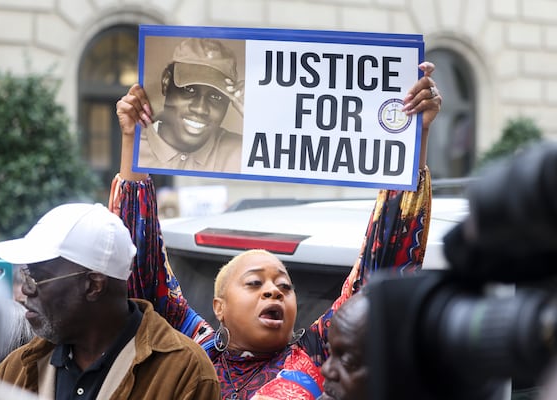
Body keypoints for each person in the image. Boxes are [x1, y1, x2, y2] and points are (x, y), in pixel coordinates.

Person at [111, 61, 442, 399]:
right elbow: (141, 276)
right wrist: (133, 139)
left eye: (284, 286)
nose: (274, 292)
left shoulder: (319, 353)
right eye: (254, 283)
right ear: (219, 307)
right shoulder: (191, 347)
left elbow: (378, 278)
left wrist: (413, 136)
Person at [0, 203, 221, 399]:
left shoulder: (183, 371)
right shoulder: (18, 368)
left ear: (94, 285)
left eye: (38, 278)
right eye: (25, 275)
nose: (25, 291)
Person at [137, 37, 244, 173]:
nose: (200, 108)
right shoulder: (133, 146)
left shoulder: (240, 154)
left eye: (216, 97)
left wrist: (257, 118)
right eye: (189, 90)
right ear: (166, 82)